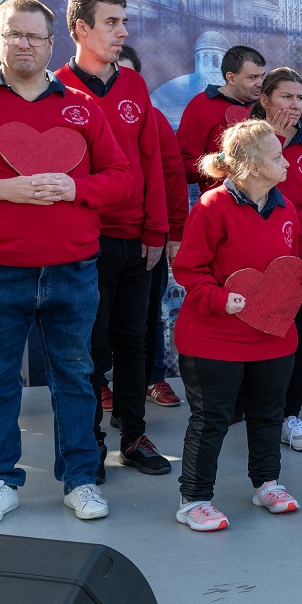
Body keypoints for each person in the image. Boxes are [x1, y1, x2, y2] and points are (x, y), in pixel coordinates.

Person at [0, 0, 131, 527]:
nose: (24, 44)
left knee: (75, 378)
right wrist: (1, 189)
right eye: (13, 34)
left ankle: (80, 479)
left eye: (34, 36)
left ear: (51, 44)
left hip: (73, 269)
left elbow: (123, 179)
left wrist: (77, 188)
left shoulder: (83, 107)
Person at [55, 0, 171, 481]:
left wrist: (156, 230)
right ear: (81, 29)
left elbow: (152, 161)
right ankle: (90, 444)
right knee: (88, 347)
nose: (123, 31)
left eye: (124, 21)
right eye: (112, 22)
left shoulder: (135, 86)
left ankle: (133, 436)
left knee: (133, 342)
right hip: (82, 243)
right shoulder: (56, 87)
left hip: (136, 240)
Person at [169, 120, 302, 531]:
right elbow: (188, 269)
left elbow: (286, 263)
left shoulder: (286, 209)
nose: (287, 163)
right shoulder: (211, 207)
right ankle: (194, 499)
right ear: (252, 165)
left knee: (268, 413)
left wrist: (300, 278)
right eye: (277, 156)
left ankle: (267, 483)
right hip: (214, 339)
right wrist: (219, 298)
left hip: (272, 336)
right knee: (211, 418)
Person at [249, 68, 302, 452]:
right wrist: (276, 142)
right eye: (286, 96)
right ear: (264, 100)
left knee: (300, 338)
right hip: (256, 257)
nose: (295, 104)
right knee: (256, 336)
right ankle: (253, 409)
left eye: (300, 98)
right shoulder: (248, 140)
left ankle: (291, 415)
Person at [114, 44, 185, 406]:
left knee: (147, 313)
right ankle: (98, 382)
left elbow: (171, 175)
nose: (119, 80)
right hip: (95, 237)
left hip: (146, 236)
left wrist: (173, 231)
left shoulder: (153, 119)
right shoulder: (81, 110)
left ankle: (153, 377)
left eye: (127, 74)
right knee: (95, 316)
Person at [177, 45, 266, 191]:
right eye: (252, 78)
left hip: (264, 201)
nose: (260, 84)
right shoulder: (201, 106)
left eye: (262, 76)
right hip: (220, 201)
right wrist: (221, 161)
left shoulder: (263, 105)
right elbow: (181, 168)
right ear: (231, 78)